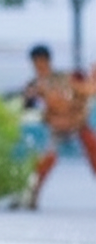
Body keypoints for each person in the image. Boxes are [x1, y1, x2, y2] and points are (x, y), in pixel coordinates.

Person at [21, 44, 96, 209]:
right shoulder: (34, 86)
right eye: (36, 64)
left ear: (47, 61)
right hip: (57, 130)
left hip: (78, 124)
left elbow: (88, 90)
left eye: (42, 63)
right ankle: (30, 196)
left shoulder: (64, 79)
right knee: (46, 159)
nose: (39, 67)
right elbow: (24, 105)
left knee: (93, 149)